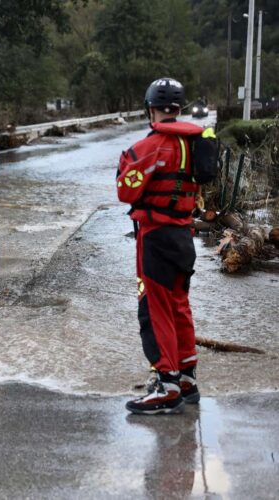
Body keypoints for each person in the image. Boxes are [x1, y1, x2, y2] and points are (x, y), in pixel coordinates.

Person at [117, 77, 205, 415]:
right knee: (180, 305)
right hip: (184, 236)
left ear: (150, 109)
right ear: (179, 109)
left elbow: (126, 190)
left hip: (156, 236)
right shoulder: (194, 144)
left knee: (156, 311)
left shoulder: (150, 146)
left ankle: (166, 385)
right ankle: (186, 378)